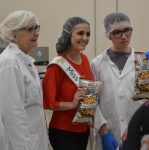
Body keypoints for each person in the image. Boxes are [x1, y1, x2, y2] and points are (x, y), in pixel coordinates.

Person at [91, 12, 142, 150]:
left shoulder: (143, 63)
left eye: (127, 30)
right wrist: (104, 132)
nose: (124, 36)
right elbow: (90, 102)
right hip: (108, 134)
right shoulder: (96, 64)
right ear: (109, 35)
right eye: (117, 32)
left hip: (139, 134)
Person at [43, 16, 95, 150]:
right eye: (80, 33)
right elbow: (49, 102)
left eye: (88, 34)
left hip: (83, 130)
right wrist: (72, 103)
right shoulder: (57, 65)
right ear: (68, 35)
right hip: (63, 132)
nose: (85, 38)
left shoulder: (85, 59)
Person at [0, 10, 49, 150]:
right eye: (30, 29)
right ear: (13, 34)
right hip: (21, 144)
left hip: (34, 141)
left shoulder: (26, 61)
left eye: (36, 28)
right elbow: (12, 115)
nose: (36, 32)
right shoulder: (10, 63)